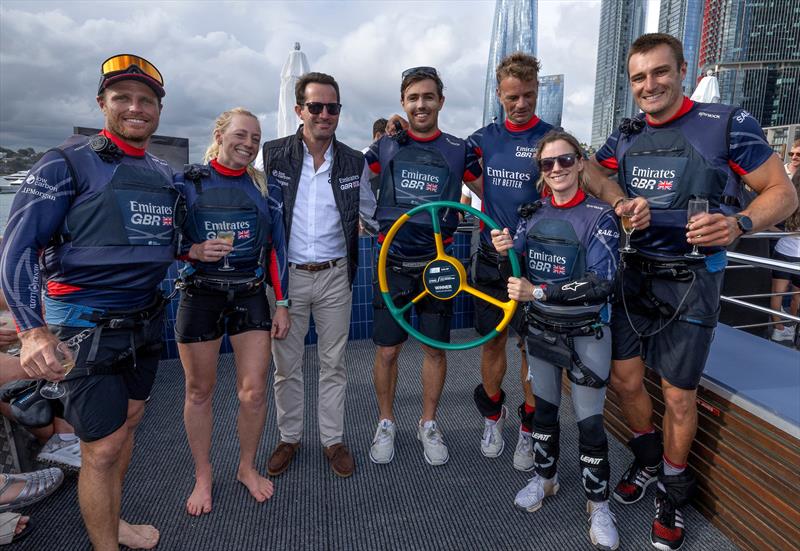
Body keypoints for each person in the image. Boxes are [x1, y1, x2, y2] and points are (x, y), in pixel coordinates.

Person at [585, 34, 797, 550]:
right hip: (634, 274)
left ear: (682, 71)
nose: (649, 85)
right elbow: (592, 169)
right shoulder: (629, 131)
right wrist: (618, 200)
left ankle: (672, 489)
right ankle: (649, 458)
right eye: (638, 77)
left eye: (659, 72)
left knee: (680, 396)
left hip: (693, 281)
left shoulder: (726, 123)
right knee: (625, 380)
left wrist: (739, 223)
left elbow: (784, 192)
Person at [0, 54, 181, 550]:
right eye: (123, 97)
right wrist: (33, 330)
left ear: (159, 111)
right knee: (100, 450)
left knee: (126, 429)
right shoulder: (66, 163)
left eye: (147, 100)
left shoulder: (164, 175)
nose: (136, 108)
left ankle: (112, 520)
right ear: (102, 104)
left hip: (146, 323)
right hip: (85, 327)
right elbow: (15, 249)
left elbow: (168, 240)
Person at [493, 129, 620, 550]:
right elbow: (518, 257)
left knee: (590, 422)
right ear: (541, 172)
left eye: (565, 160)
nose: (557, 169)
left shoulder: (601, 216)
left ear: (581, 163)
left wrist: (540, 292)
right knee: (543, 411)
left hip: (587, 332)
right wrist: (504, 246)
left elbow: (602, 282)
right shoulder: (532, 213)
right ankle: (545, 479)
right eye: (548, 164)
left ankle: (598, 504)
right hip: (542, 330)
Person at [175, 107, 289, 515]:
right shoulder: (188, 182)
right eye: (241, 134)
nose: (249, 143)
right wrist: (192, 251)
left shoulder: (265, 189)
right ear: (220, 135)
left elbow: (276, 249)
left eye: (256, 139)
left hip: (249, 293)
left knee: (254, 391)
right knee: (198, 391)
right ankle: (203, 476)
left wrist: (283, 302)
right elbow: (164, 239)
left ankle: (246, 467)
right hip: (200, 294)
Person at [367, 67, 481, 466]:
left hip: (439, 266)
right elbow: (349, 180)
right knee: (386, 351)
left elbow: (490, 193)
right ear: (403, 102)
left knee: (435, 349)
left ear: (441, 102)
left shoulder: (458, 149)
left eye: (428, 97)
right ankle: (386, 422)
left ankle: (428, 423)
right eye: (413, 97)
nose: (421, 104)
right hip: (392, 264)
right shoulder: (386, 145)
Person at [264, 72, 375, 479]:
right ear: (299, 110)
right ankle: (289, 437)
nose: (325, 114)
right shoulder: (272, 154)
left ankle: (333, 439)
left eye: (333, 107)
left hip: (334, 275)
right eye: (316, 106)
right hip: (286, 280)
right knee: (285, 366)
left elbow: (370, 212)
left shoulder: (353, 160)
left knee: (334, 364)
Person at [465, 52, 552, 469]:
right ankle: (493, 417)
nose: (521, 104)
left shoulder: (552, 140)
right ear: (499, 94)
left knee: (530, 348)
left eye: (529, 96)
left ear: (538, 92)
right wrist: (399, 130)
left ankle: (527, 430)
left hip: (535, 259)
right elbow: (449, 161)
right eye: (513, 96)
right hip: (490, 258)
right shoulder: (482, 139)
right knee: (493, 340)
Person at [769, 169, 800, 343]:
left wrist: (785, 234)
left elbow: (769, 223)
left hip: (782, 251)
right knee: (797, 296)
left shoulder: (788, 200)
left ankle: (778, 330)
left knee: (777, 294)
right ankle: (793, 327)